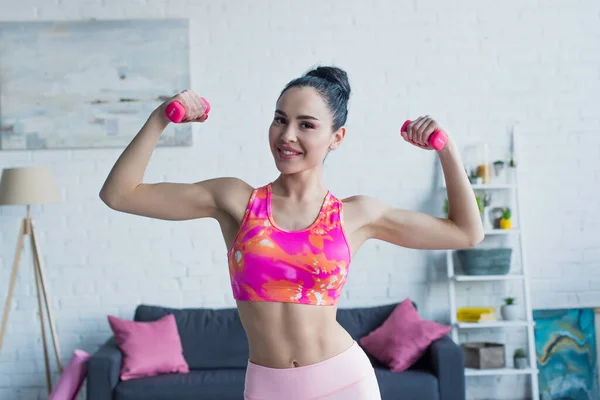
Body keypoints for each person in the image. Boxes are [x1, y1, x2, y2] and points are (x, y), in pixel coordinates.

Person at [99, 65, 484, 400]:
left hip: (344, 384)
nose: (287, 135)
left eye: (307, 125)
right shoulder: (235, 201)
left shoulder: (355, 215)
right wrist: (160, 118)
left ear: (337, 138)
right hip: (268, 388)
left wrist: (446, 150)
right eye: (280, 119)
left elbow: (466, 233)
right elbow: (119, 194)